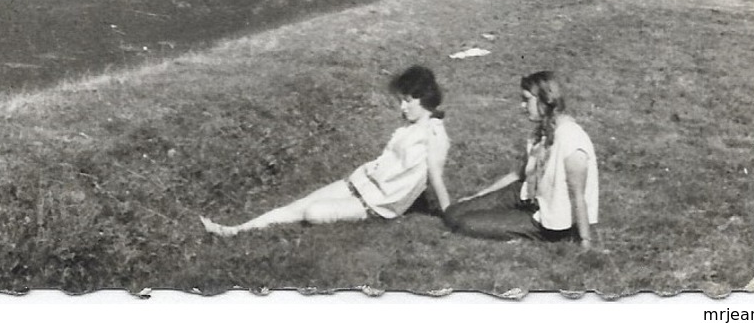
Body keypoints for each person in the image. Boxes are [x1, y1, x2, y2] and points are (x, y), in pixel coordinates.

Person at [200, 65, 451, 237]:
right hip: (361, 181)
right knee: (299, 204)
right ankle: (234, 230)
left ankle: (236, 231)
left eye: (408, 100)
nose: (402, 107)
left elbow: (435, 177)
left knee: (312, 212)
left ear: (425, 98)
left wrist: (450, 215)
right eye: (401, 101)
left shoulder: (434, 135)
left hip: (376, 204)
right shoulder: (410, 126)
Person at [442, 71, 598, 248]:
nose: (523, 106)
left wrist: (585, 241)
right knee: (452, 213)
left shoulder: (571, 139)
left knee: (464, 223)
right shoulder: (542, 130)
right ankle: (510, 219)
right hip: (525, 195)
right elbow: (519, 173)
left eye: (527, 99)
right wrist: (479, 196)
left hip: (546, 217)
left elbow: (579, 195)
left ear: (545, 99)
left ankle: (522, 231)